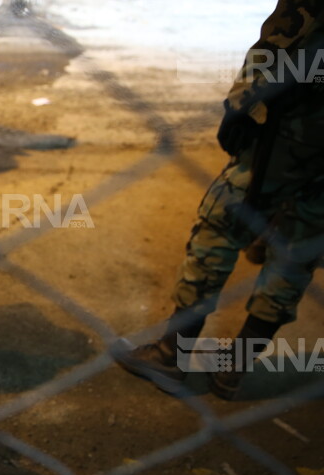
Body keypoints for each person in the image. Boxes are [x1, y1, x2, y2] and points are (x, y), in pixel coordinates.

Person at [113, 0, 324, 399]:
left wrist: (241, 106)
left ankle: (170, 353)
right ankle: (234, 367)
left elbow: (287, 33)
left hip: (294, 129)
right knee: (301, 241)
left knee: (223, 224)